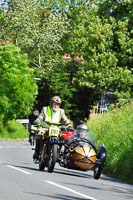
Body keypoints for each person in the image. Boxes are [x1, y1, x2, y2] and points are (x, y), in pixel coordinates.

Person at [33, 95, 71, 160]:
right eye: (55, 103)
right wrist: (37, 121)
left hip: (57, 128)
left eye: (58, 104)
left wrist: (69, 124)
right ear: (51, 103)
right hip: (46, 127)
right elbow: (40, 117)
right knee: (39, 134)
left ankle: (61, 155)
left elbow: (65, 119)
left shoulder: (61, 111)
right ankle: (37, 152)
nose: (56, 105)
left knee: (65, 138)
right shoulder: (45, 109)